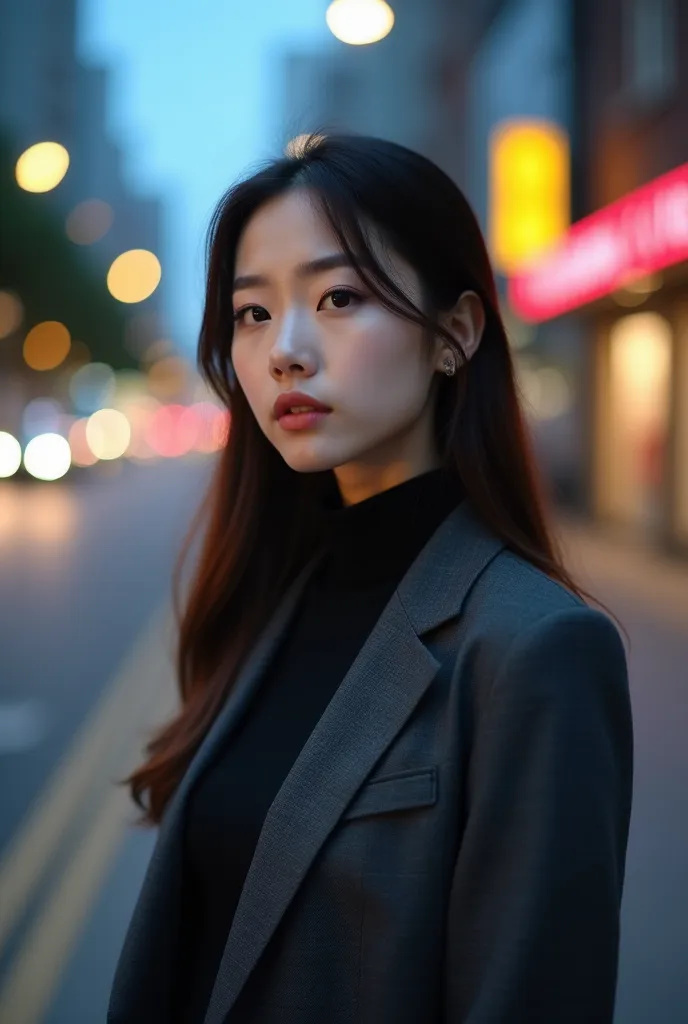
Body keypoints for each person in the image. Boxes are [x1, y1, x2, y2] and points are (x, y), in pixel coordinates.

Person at [108, 132, 634, 1024]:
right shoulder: (272, 598)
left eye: (340, 296)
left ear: (454, 336)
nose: (286, 351)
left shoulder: (537, 650)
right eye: (252, 313)